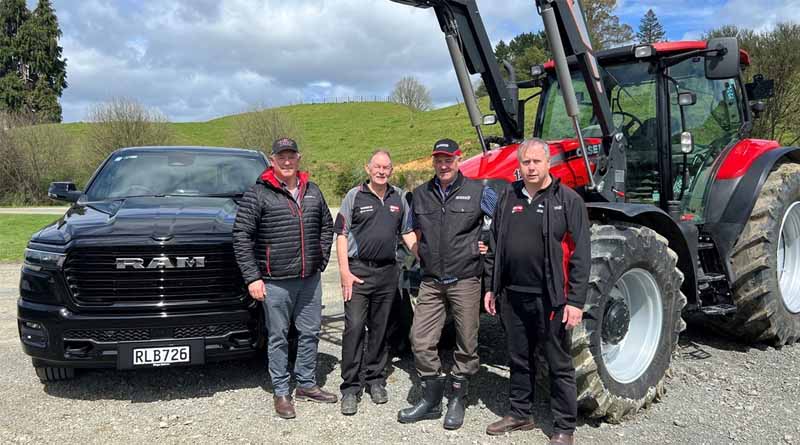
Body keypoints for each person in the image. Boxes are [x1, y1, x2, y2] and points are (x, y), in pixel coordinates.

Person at [483, 138, 590, 445]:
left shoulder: (567, 200)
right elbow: (495, 246)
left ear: (548, 163)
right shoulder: (508, 197)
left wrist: (576, 301)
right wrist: (492, 287)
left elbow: (582, 253)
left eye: (536, 162)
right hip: (513, 295)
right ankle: (520, 414)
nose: (530, 167)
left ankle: (564, 427)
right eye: (525, 162)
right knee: (518, 357)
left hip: (551, 298)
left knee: (558, 362)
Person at [233, 137, 336, 420]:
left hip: (309, 279)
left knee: (310, 333)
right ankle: (281, 391)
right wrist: (253, 277)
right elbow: (241, 236)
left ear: (298, 158)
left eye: (291, 156)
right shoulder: (258, 193)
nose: (287, 161)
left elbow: (326, 227)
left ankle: (305, 383)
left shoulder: (313, 191)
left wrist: (321, 258)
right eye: (281, 156)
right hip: (275, 281)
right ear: (273, 159)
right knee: (278, 337)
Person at [397, 138, 496, 430]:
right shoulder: (420, 194)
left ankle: (457, 398)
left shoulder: (479, 191)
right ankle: (432, 397)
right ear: (433, 161)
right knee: (420, 339)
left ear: (458, 159)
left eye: (448, 159)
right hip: (431, 281)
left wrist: (485, 244)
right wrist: (420, 252)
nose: (443, 164)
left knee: (467, 342)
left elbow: (500, 222)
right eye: (438, 159)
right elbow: (406, 228)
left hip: (465, 279)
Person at [335, 149, 417, 415]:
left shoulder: (400, 197)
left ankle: (375, 380)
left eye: (387, 167)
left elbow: (407, 232)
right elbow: (342, 235)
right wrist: (345, 272)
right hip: (358, 272)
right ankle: (350, 387)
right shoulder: (354, 196)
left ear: (391, 170)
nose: (382, 171)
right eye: (377, 167)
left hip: (387, 273)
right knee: (355, 328)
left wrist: (424, 254)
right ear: (368, 168)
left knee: (381, 330)